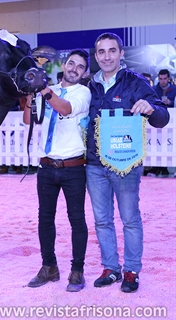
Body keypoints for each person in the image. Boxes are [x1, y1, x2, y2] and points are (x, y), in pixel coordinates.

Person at [86, 33, 169, 293]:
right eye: (102, 52)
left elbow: (162, 117)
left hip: (126, 164)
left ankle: (131, 270)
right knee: (102, 220)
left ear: (121, 54)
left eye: (112, 51)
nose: (107, 56)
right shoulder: (90, 86)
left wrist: (151, 107)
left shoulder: (135, 82)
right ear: (96, 55)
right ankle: (111, 268)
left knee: (130, 218)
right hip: (94, 164)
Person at [23, 49, 91, 292]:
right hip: (47, 166)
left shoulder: (83, 93)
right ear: (64, 64)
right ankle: (49, 267)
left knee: (76, 220)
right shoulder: (48, 88)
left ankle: (77, 271)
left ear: (85, 73)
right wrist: (32, 92)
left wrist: (43, 90)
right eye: (71, 63)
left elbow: (64, 109)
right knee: (45, 219)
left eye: (80, 66)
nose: (74, 68)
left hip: (73, 167)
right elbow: (29, 120)